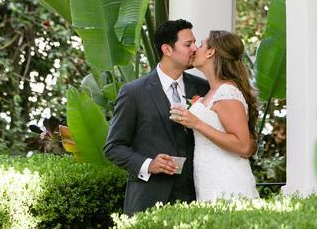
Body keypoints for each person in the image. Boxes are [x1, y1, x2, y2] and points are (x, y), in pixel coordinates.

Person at [103, 19, 209, 215]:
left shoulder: (203, 88)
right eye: (188, 44)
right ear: (167, 50)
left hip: (196, 197)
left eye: (194, 43)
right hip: (148, 199)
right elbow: (113, 147)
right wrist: (149, 164)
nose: (195, 48)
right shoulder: (134, 92)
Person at [170, 29, 259, 201]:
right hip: (208, 178)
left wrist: (197, 123)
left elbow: (243, 145)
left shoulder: (226, 92)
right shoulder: (211, 91)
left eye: (201, 45)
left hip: (227, 180)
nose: (195, 48)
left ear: (211, 52)